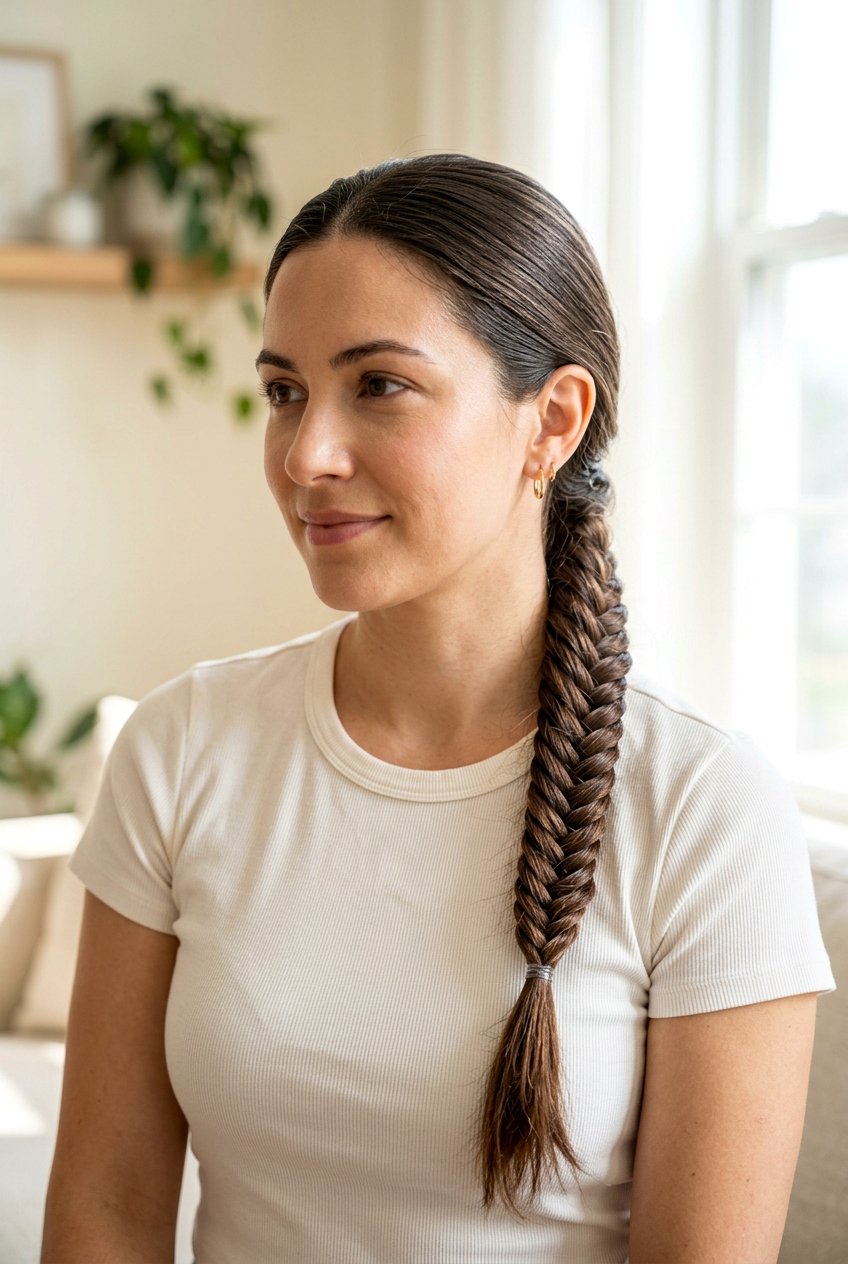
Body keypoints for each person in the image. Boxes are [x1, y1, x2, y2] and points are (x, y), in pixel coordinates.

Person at [42, 153, 834, 1264]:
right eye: (283, 392)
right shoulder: (181, 750)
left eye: (378, 385)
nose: (305, 455)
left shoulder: (702, 807)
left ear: (550, 421)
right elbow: (103, 1215)